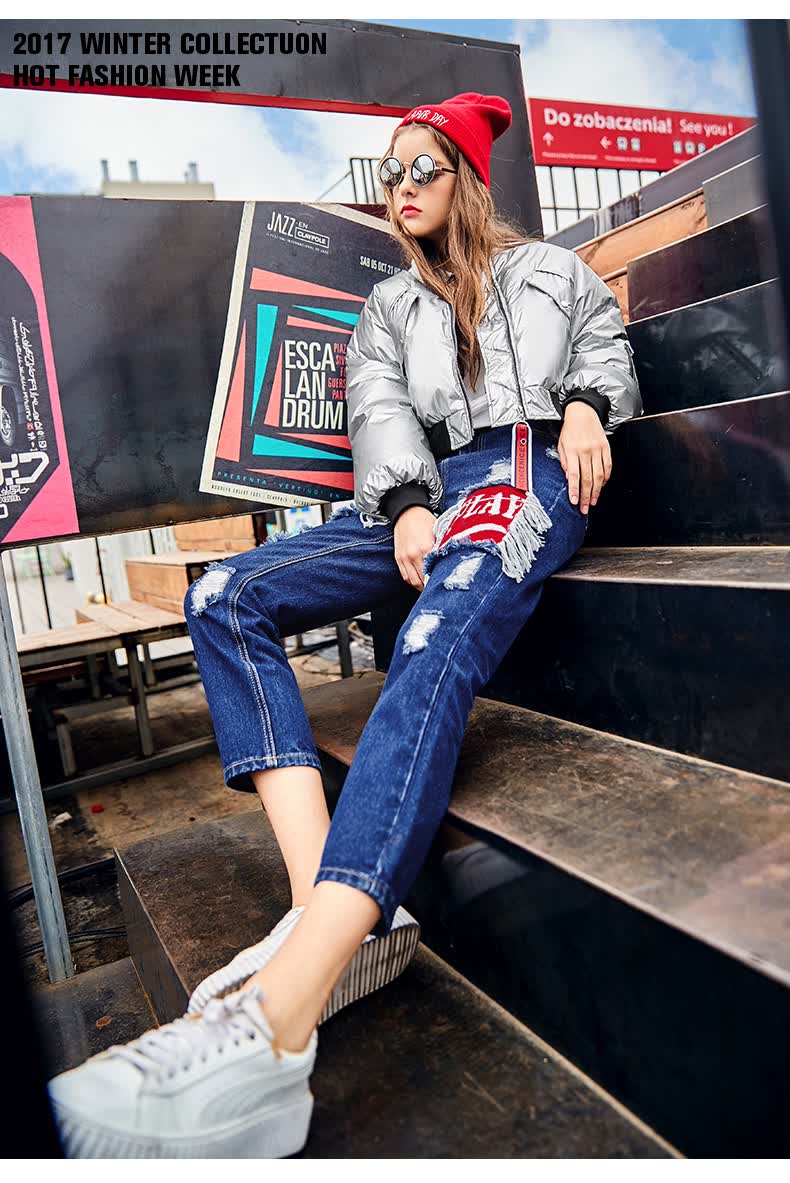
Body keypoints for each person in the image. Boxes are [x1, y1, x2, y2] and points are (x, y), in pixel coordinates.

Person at [46, 92, 642, 1159]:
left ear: (466, 177)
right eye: (389, 172)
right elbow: (377, 408)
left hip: (527, 463)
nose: (399, 187)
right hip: (423, 490)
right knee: (224, 595)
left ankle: (279, 1022)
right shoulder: (387, 307)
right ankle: (317, 903)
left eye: (421, 168)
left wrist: (589, 407)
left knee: (430, 637)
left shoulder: (549, 271)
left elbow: (602, 338)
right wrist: (406, 502)